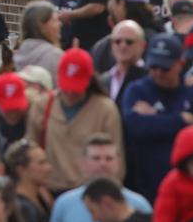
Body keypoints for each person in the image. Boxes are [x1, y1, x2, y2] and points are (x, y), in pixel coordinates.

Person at [120, 33, 193, 201]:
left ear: (180, 64)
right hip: (146, 184)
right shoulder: (137, 90)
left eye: (165, 68)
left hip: (190, 184)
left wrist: (156, 117)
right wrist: (180, 120)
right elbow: (135, 126)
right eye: (153, 67)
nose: (158, 73)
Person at [25, 49, 123, 194]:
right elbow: (31, 150)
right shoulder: (42, 105)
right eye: (66, 87)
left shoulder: (105, 109)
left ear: (89, 81)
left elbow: (117, 158)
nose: (70, 93)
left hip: (90, 191)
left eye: (77, 88)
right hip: (49, 191)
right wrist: (38, 190)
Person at [13, 1, 63, 80]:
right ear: (43, 26)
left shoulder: (19, 53)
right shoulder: (55, 55)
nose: (60, 24)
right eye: (55, 20)